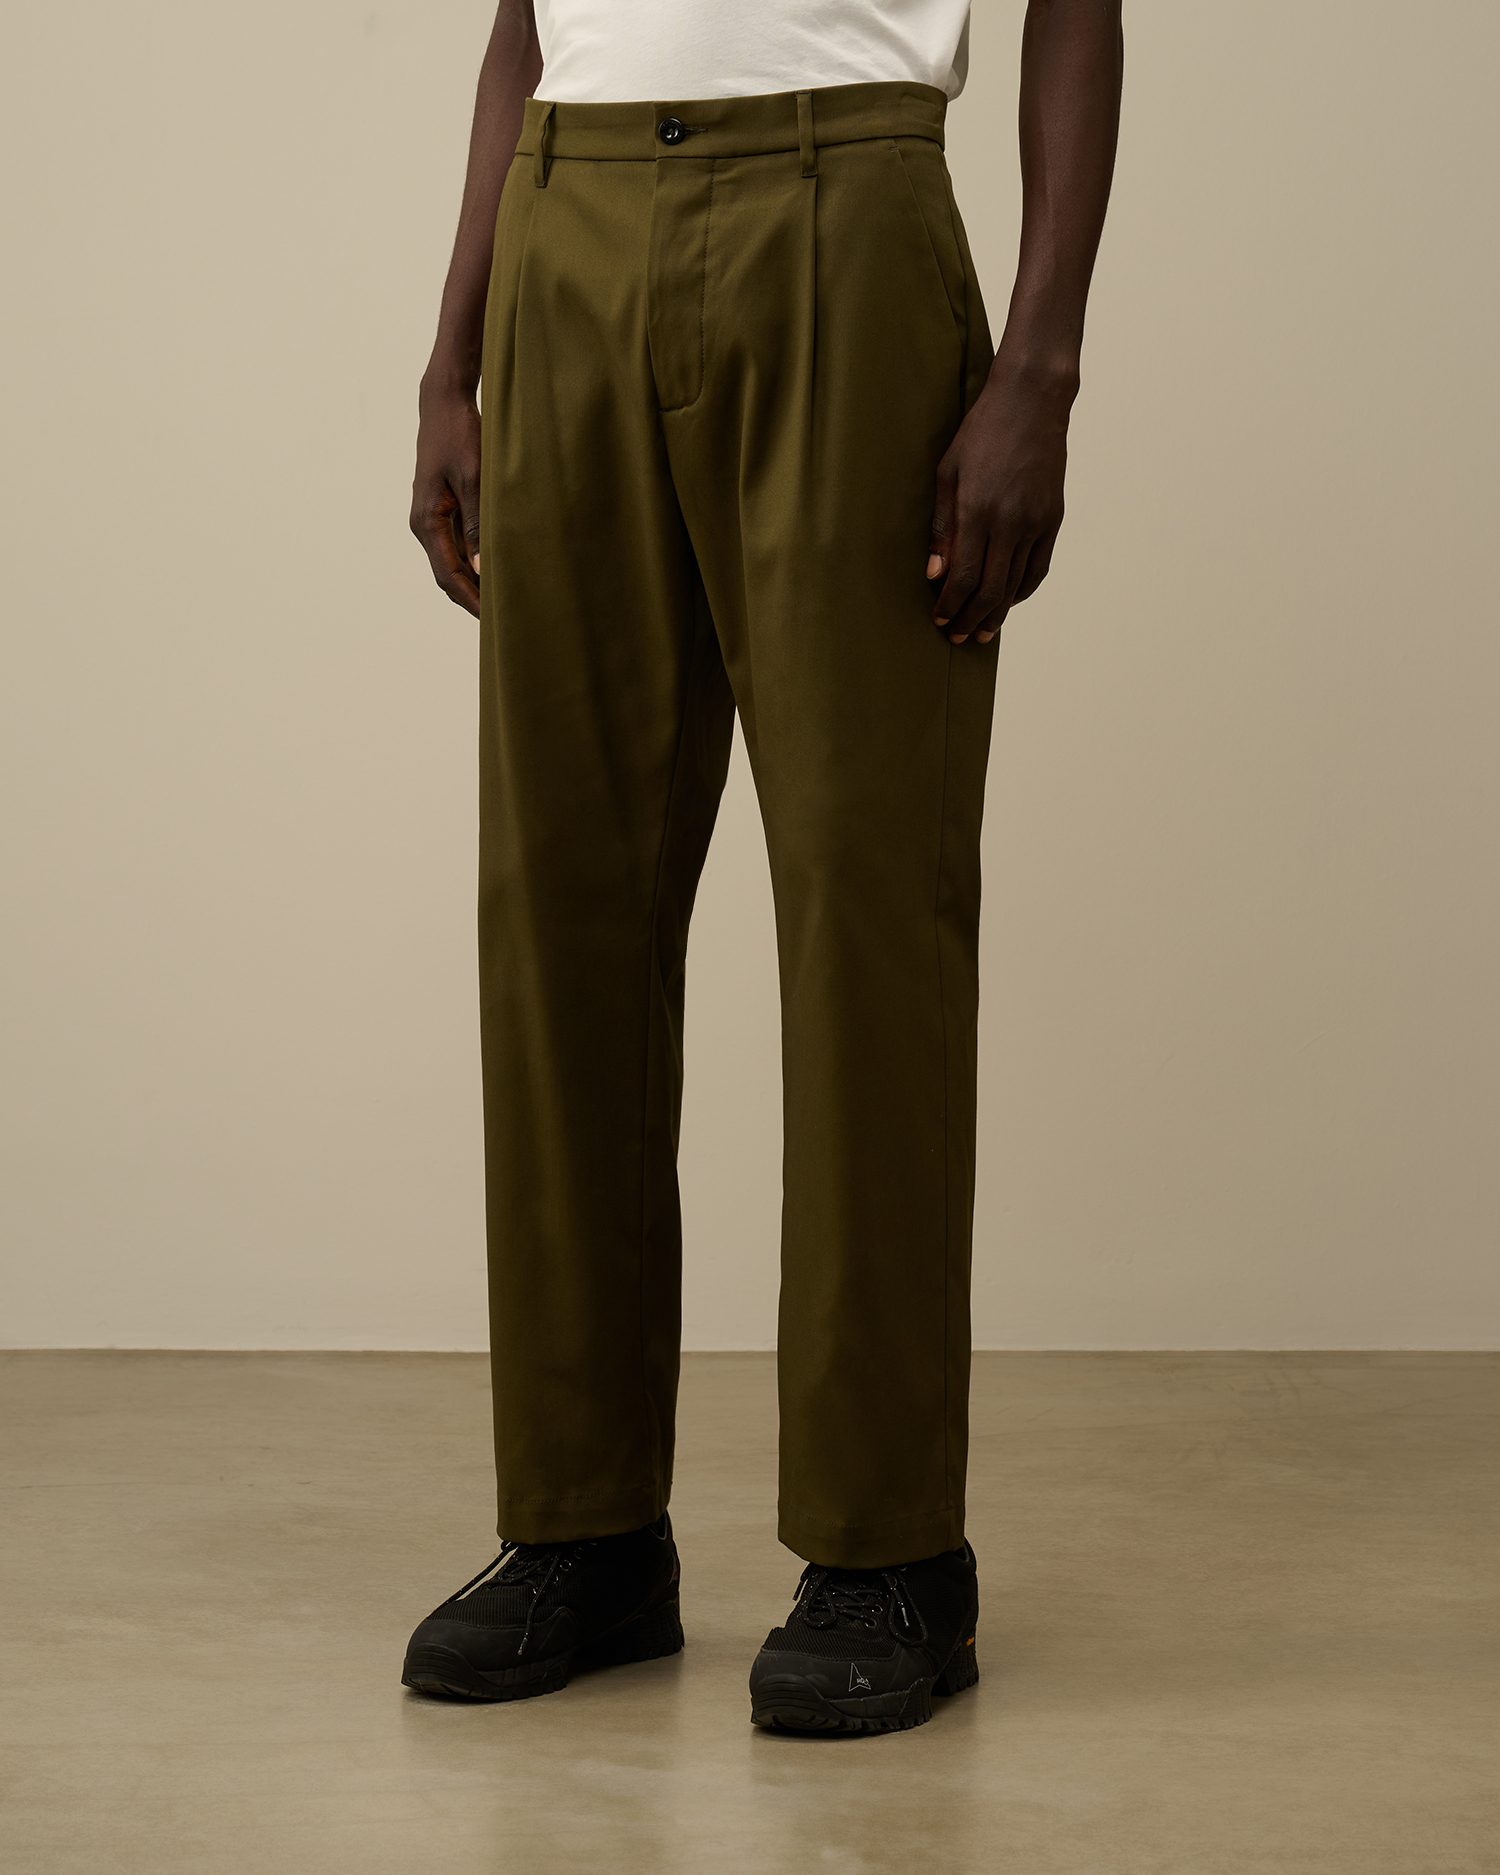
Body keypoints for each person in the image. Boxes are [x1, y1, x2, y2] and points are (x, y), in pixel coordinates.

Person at [403, 0, 1122, 1735]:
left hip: (847, 209)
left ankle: (890, 1552)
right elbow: (525, 29)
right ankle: (581, 1525)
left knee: (867, 907)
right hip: (565, 221)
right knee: (560, 909)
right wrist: (450, 356)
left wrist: (1038, 368)